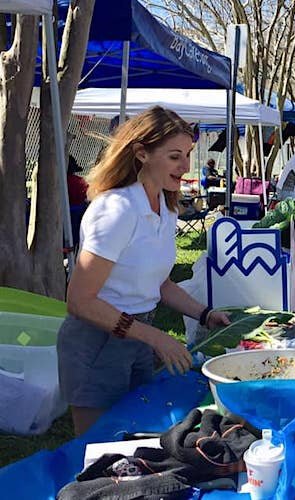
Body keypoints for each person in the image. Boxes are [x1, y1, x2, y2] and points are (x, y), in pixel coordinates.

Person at [59, 106, 232, 436]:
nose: (185, 167)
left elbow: (159, 283)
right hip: (96, 344)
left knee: (133, 443)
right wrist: (155, 338)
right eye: (174, 157)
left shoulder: (165, 207)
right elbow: (80, 301)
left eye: (188, 155)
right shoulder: (117, 209)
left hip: (137, 338)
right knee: (99, 451)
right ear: (141, 154)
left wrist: (205, 314)